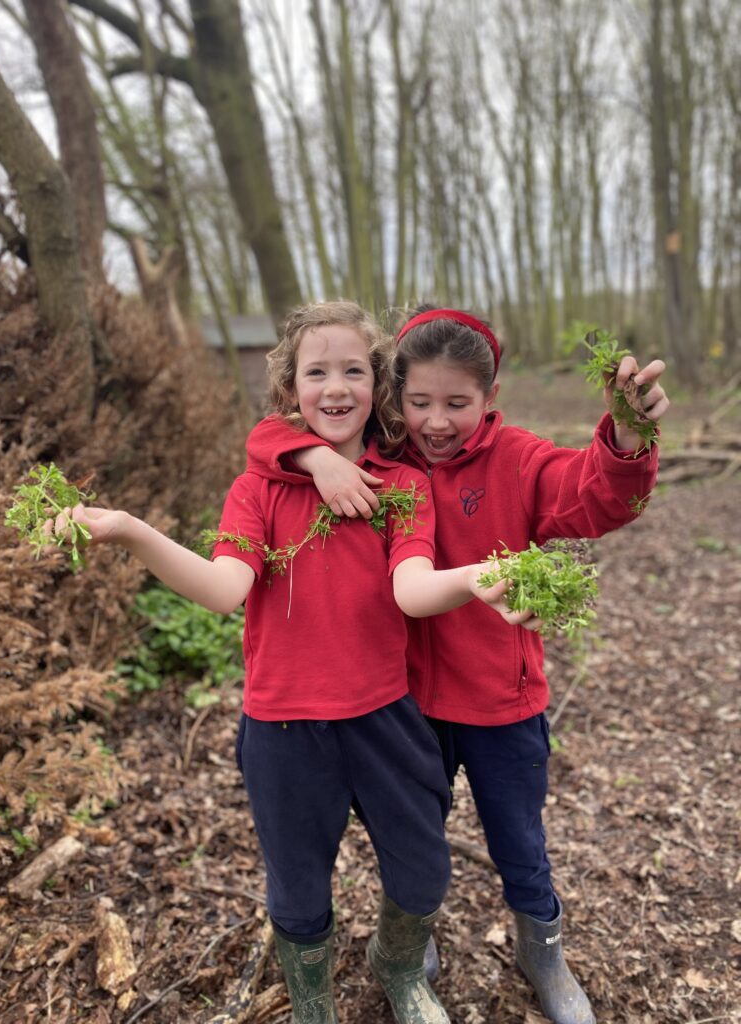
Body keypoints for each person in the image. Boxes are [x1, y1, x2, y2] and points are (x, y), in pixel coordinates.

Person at [47, 301, 533, 1024]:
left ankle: (399, 968)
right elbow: (222, 588)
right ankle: (313, 1002)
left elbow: (411, 587)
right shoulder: (259, 490)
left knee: (425, 869)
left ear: (378, 387)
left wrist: (474, 581)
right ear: (290, 390)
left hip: (385, 720)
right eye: (316, 372)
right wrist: (128, 531)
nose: (334, 387)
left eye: (353, 371)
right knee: (298, 891)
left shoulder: (399, 486)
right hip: (282, 729)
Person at [244, 306, 670, 1024]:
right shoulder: (383, 460)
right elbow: (272, 433)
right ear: (393, 399)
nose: (437, 422)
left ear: (489, 398)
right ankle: (409, 946)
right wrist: (315, 457)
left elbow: (595, 495)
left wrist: (628, 437)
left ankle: (543, 950)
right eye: (419, 404)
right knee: (416, 835)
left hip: (502, 699)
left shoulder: (520, 461)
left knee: (519, 840)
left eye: (457, 404)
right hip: (408, 705)